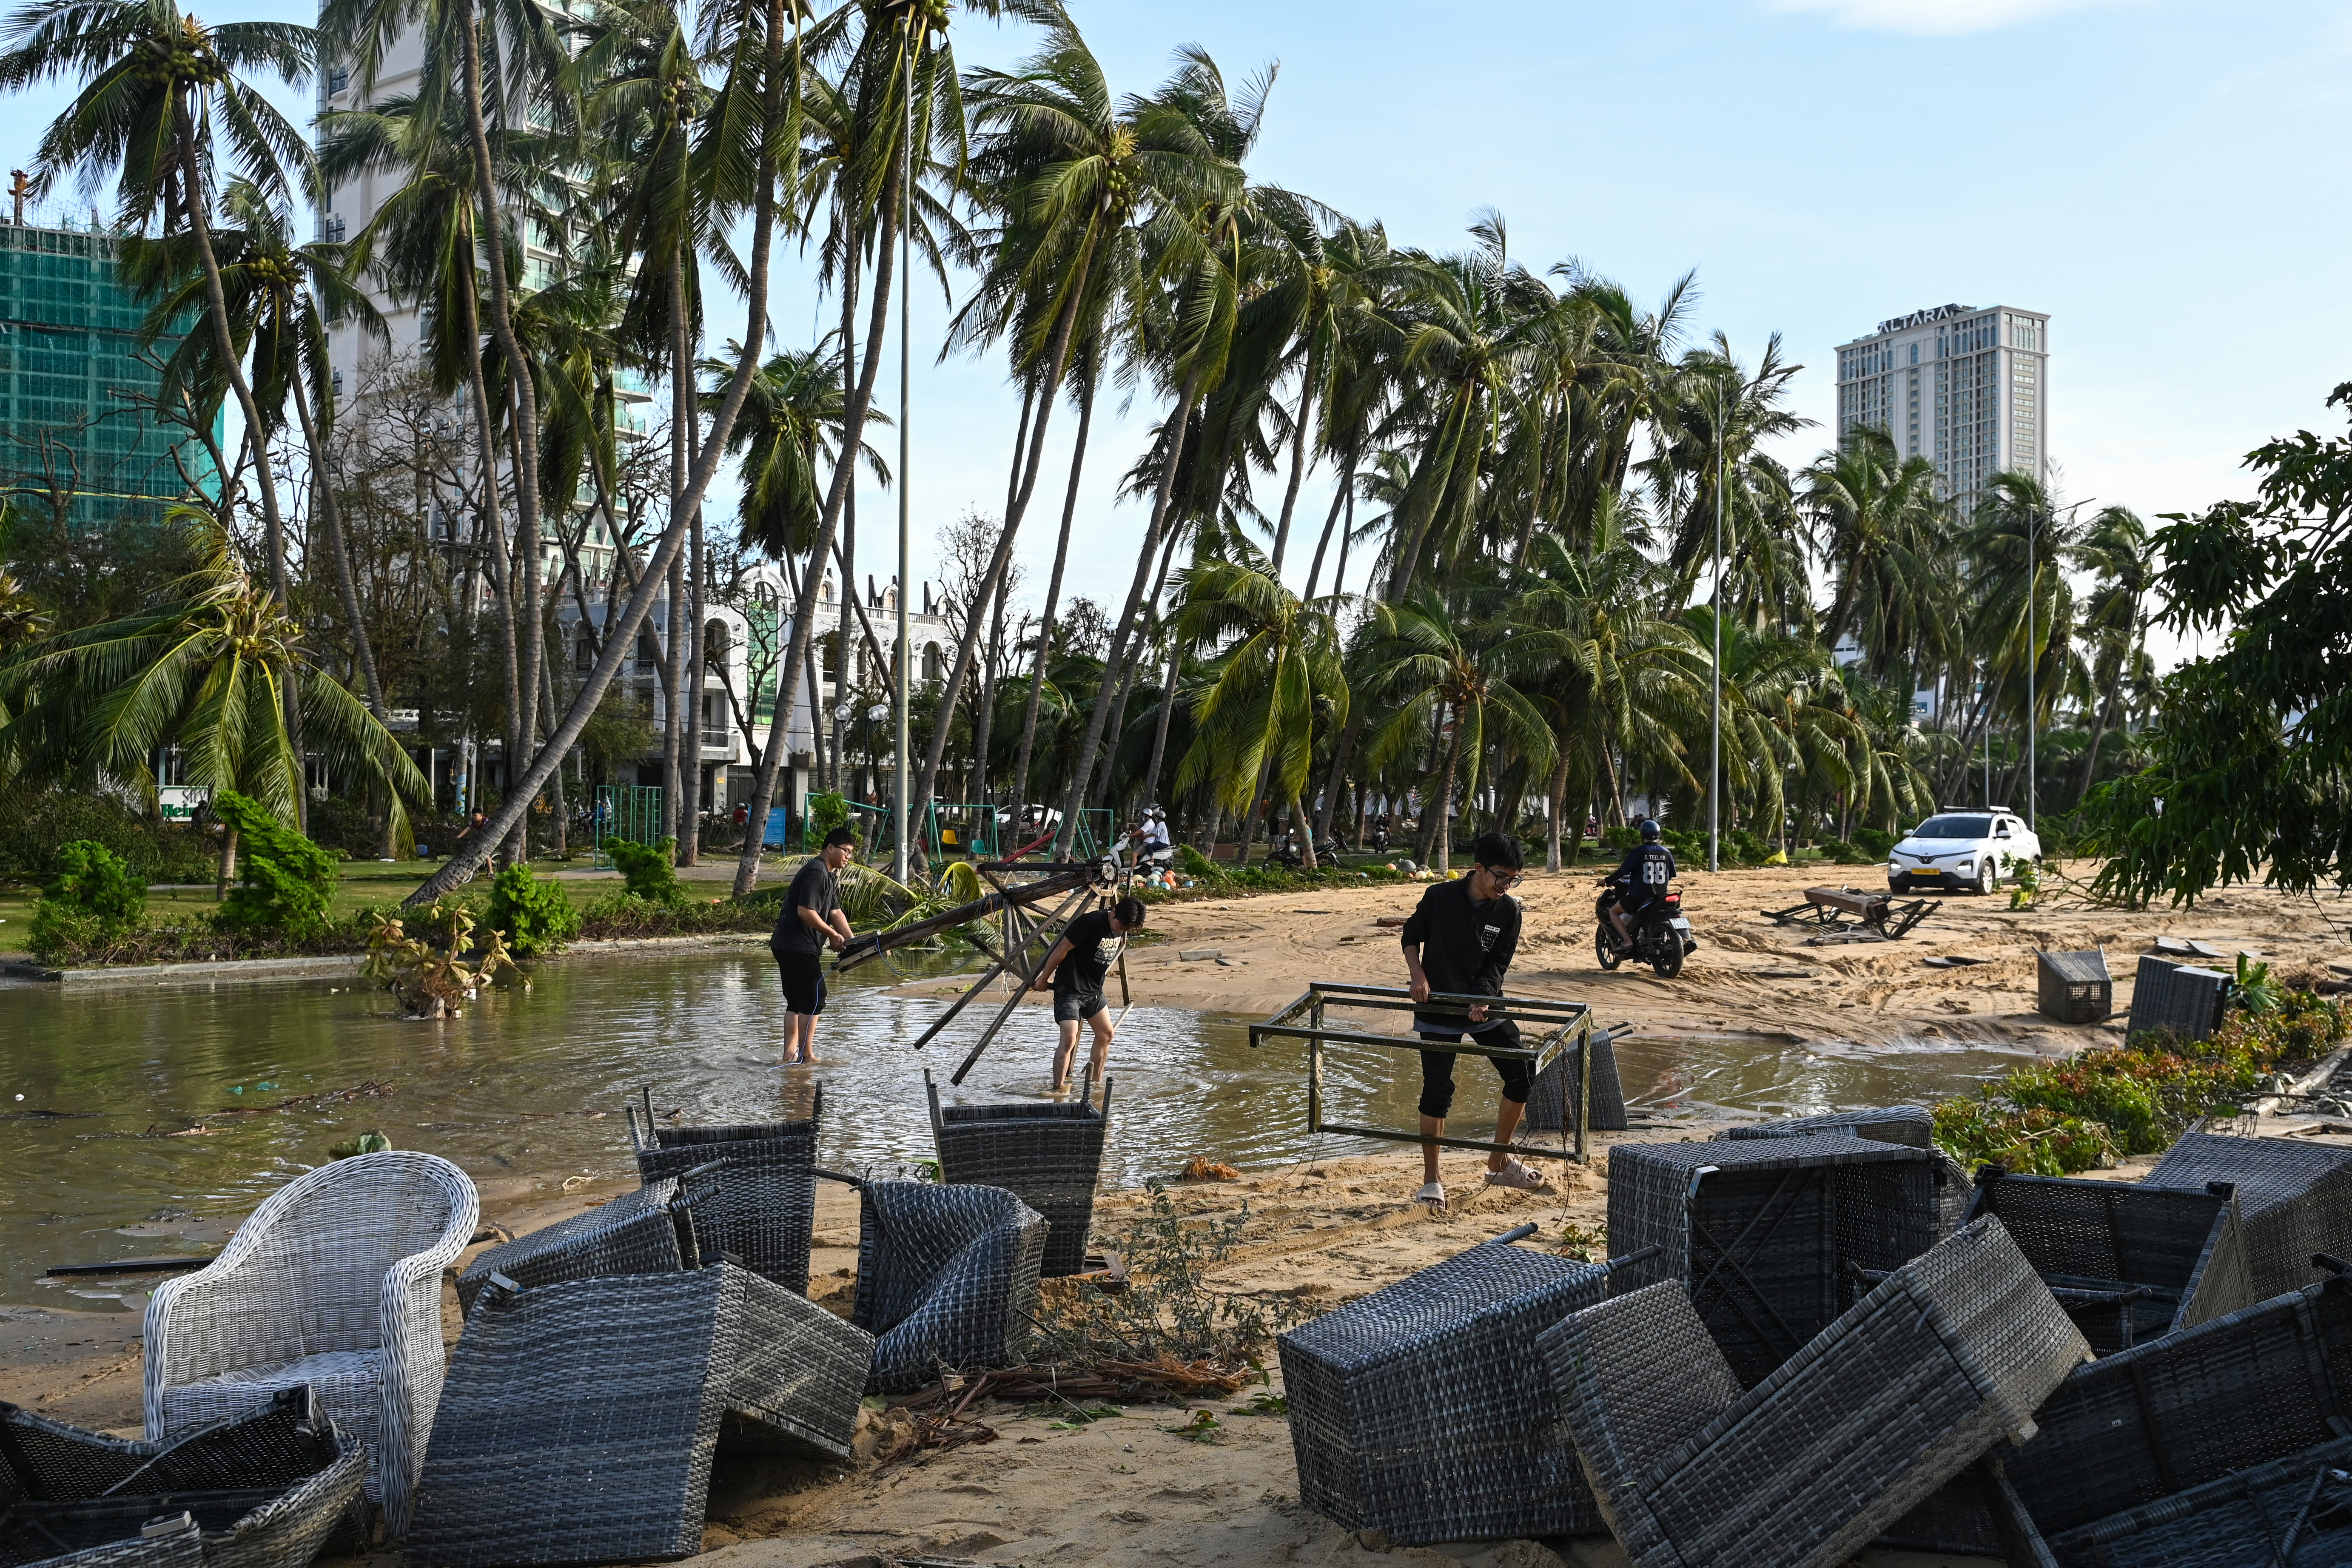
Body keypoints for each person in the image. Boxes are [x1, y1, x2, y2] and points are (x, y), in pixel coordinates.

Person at [1401, 830, 1542, 1209]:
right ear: (1478, 868)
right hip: (1438, 1005)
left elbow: (1499, 963)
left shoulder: (1509, 910)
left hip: (1484, 1004)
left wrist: (1483, 998)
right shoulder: (1439, 897)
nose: (1506, 885)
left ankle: (1498, 1161)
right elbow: (1411, 934)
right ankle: (1432, 1180)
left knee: (1522, 1073)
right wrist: (1418, 975)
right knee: (1438, 1089)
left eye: (1513, 878)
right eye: (1500, 876)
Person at [1032, 894, 1145, 1093]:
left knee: (1107, 1034)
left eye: (1125, 930)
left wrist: (1122, 930)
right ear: (1113, 913)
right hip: (1070, 989)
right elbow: (1061, 949)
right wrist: (1044, 978)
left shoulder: (1123, 927)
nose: (1120, 931)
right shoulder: (1090, 923)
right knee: (1069, 1038)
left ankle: (1096, 1084)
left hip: (1093, 991)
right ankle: (1058, 1089)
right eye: (1119, 927)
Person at [770, 826, 857, 1064]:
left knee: (797, 1001)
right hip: (796, 945)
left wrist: (850, 940)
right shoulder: (817, 872)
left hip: (788, 945)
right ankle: (806, 1055)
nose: (848, 856)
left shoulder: (829, 875)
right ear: (830, 848)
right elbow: (805, 911)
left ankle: (790, 1055)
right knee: (816, 996)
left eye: (851, 852)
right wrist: (831, 934)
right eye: (845, 851)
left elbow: (835, 912)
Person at [1600, 819, 1677, 954]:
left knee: (1613, 912)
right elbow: (1670, 875)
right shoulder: (1667, 853)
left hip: (1639, 898)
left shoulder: (1638, 852)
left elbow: (1622, 872)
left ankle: (1627, 941)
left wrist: (1606, 880)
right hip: (1660, 897)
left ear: (1642, 835)